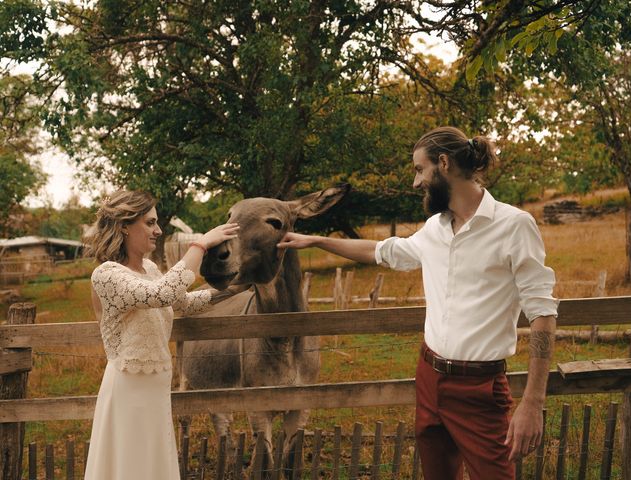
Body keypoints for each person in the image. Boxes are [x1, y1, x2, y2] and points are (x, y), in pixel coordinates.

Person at [277, 126, 557, 480]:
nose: (415, 182)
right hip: (429, 378)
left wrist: (533, 402)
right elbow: (381, 251)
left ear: (443, 164)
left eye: (419, 170)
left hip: (480, 390)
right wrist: (315, 240)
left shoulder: (514, 225)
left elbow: (543, 314)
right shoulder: (435, 229)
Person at [83, 190, 247, 480]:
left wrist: (235, 288)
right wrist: (200, 244)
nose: (158, 230)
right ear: (123, 226)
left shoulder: (149, 268)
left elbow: (181, 301)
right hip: (128, 390)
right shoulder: (107, 274)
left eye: (156, 222)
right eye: (150, 223)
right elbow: (162, 294)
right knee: (129, 465)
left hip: (156, 386)